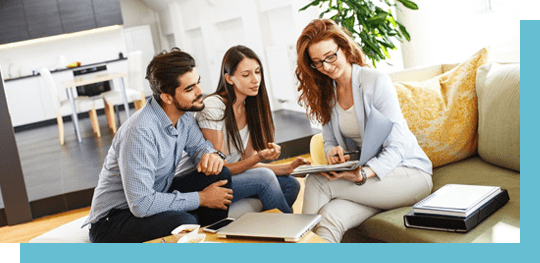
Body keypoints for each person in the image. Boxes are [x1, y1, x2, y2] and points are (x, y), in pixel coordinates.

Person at [295, 19, 433, 243]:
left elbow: (398, 146)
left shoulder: (375, 82)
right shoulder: (328, 93)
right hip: (373, 182)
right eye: (318, 62)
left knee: (317, 182)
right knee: (330, 217)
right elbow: (329, 140)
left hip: (409, 174)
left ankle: (294, 247)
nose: (327, 67)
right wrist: (333, 152)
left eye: (331, 56)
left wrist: (362, 174)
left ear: (345, 48)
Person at [83, 48, 234, 243]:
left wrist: (211, 155)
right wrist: (202, 198)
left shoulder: (183, 115)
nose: (200, 92)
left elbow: (199, 147)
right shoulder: (140, 132)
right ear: (167, 97)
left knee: (219, 174)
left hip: (156, 194)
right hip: (113, 220)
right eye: (189, 89)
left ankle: (212, 241)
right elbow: (141, 203)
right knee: (183, 223)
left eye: (198, 82)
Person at [195, 45, 308, 213]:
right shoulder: (214, 107)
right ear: (229, 78)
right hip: (215, 181)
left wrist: (288, 168)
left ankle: (266, 232)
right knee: (264, 179)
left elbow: (247, 164)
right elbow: (220, 169)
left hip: (236, 176)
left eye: (258, 72)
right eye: (246, 75)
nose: (255, 80)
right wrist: (259, 157)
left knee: (291, 184)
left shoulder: (250, 107)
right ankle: (290, 232)